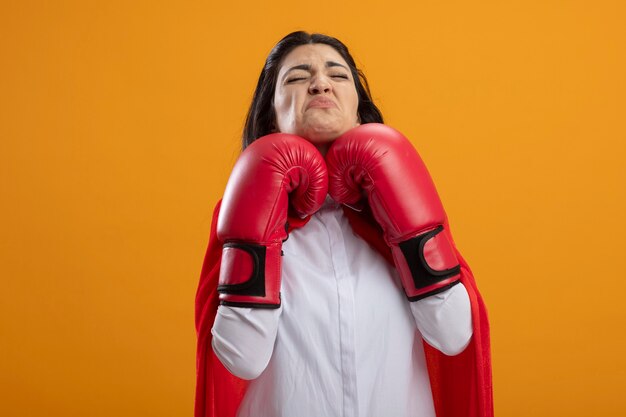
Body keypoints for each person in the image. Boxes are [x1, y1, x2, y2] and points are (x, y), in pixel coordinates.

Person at [194, 31, 493, 417]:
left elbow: (453, 337)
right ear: (272, 114)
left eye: (337, 74)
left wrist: (408, 228)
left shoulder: (399, 201)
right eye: (298, 77)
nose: (320, 82)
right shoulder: (236, 214)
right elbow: (241, 360)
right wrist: (257, 227)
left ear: (358, 109)